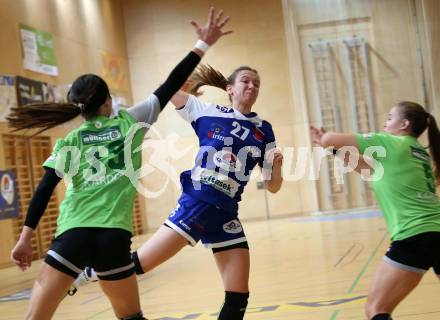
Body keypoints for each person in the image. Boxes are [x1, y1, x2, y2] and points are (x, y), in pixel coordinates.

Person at [8, 7, 232, 320]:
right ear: (107, 102)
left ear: (81, 109)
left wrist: (25, 238)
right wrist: (203, 44)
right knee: (131, 317)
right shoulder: (131, 122)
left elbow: (45, 188)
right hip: (113, 235)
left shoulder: (70, 141)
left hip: (73, 232)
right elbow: (171, 85)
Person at [72, 64, 284, 319]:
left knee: (238, 296)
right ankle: (87, 273)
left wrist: (276, 167)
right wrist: (187, 75)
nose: (252, 86)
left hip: (226, 214)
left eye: (256, 84)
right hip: (198, 203)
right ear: (230, 89)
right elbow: (167, 88)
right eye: (246, 81)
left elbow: (273, 186)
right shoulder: (207, 111)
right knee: (139, 264)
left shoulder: (264, 130)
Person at [310, 101, 440, 320]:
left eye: (390, 117)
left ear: (404, 124)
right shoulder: (419, 153)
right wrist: (332, 149)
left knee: (376, 308)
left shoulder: (390, 143)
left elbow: (331, 137)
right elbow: (365, 168)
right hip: (436, 231)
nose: (385, 122)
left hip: (414, 235)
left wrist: (324, 138)